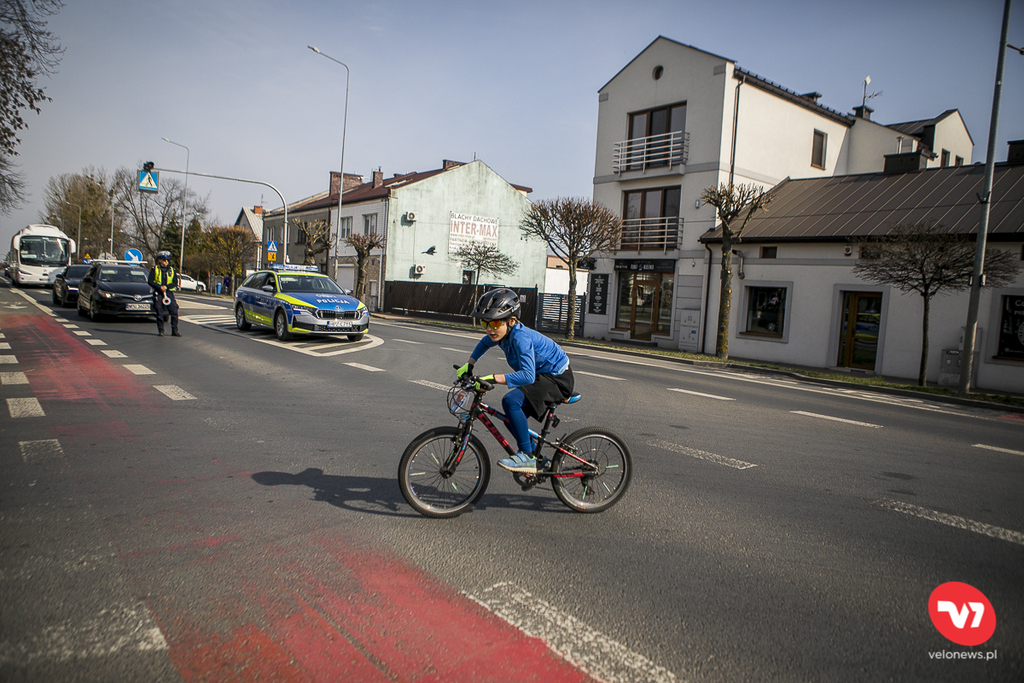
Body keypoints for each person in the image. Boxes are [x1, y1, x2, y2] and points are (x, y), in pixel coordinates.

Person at [459, 288, 573, 475]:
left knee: (511, 401)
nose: (489, 329)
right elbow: (485, 342)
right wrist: (469, 364)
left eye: (495, 323)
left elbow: (527, 376)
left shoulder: (520, 338)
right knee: (510, 419)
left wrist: (493, 378)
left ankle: (527, 456)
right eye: (485, 323)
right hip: (541, 376)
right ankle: (539, 459)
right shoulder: (502, 334)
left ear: (511, 320)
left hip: (556, 378)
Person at [148, 250, 181, 337]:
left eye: (167, 260)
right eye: (164, 260)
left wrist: (166, 287)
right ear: (159, 260)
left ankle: (175, 331)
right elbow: (150, 281)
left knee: (174, 311)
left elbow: (174, 282)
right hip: (158, 293)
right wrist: (159, 287)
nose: (166, 261)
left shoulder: (172, 270)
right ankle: (161, 331)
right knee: (160, 312)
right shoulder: (154, 269)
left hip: (169, 293)